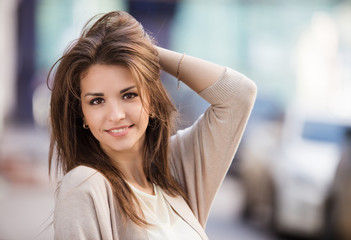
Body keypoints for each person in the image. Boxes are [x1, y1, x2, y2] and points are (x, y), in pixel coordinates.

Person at [48, 10, 257, 240]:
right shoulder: (85, 186)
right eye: (97, 101)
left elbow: (239, 94)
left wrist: (144, 52)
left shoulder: (176, 167)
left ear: (152, 102)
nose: (116, 115)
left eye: (129, 95)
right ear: (84, 116)